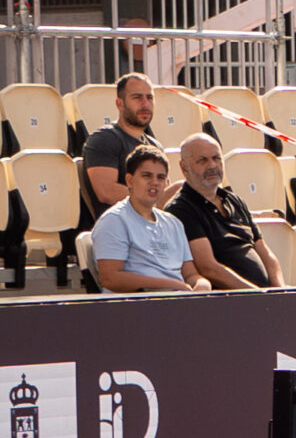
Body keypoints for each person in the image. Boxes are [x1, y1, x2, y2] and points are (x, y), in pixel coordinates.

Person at [169, 134, 280, 290]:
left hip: (263, 296)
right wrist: (257, 294)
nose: (212, 165)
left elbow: (266, 254)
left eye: (216, 158)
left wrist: (280, 290)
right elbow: (208, 267)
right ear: (184, 168)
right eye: (202, 160)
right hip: (229, 299)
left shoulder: (235, 201)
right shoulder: (181, 208)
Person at [92, 147, 209, 294]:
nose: (155, 183)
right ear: (130, 181)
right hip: (140, 303)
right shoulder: (114, 221)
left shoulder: (174, 223)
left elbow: (190, 274)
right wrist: (172, 284)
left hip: (179, 299)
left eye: (161, 177)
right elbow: (111, 279)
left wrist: (202, 285)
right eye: (147, 176)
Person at [81, 72, 157, 218]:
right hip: (120, 225)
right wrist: (153, 198)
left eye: (149, 97)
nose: (145, 104)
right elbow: (106, 192)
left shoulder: (154, 145)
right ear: (120, 104)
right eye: (137, 97)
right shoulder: (104, 139)